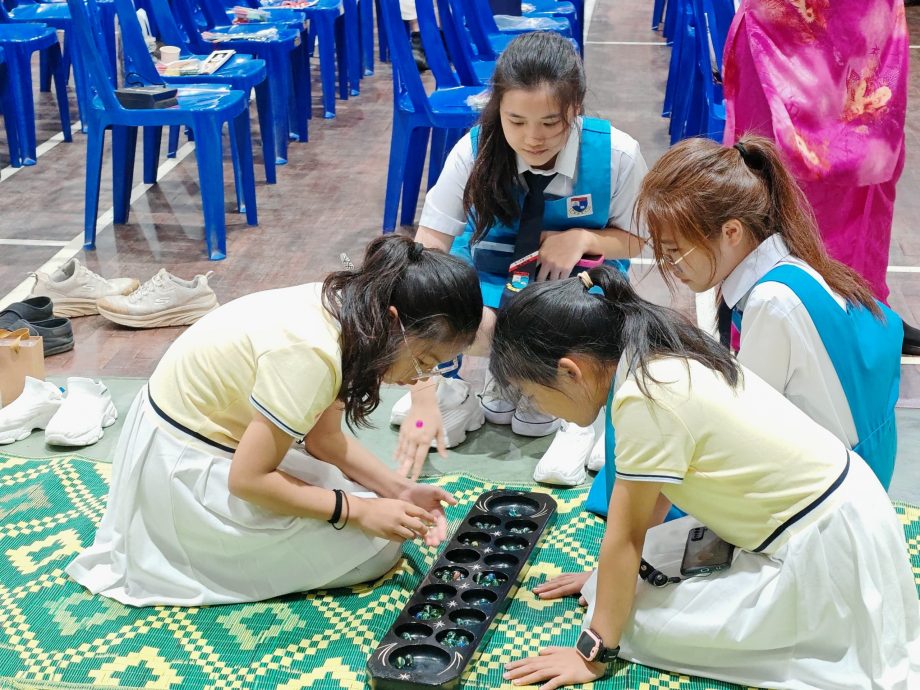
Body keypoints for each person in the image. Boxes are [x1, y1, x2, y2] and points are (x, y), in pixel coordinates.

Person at [492, 266, 919, 689]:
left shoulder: (644, 398)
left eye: (533, 394)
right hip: (842, 513)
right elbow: (648, 505)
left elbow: (626, 537)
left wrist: (594, 652)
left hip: (824, 551)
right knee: (616, 591)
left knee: (637, 628)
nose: (539, 407)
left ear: (570, 371)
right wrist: (604, 579)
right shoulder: (657, 351)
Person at [66, 236, 483, 606]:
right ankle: (184, 549)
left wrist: (400, 489)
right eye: (423, 361)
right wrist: (357, 511)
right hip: (182, 464)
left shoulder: (351, 309)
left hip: (215, 440)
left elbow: (326, 443)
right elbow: (247, 481)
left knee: (375, 511)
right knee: (375, 548)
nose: (418, 378)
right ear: (394, 320)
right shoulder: (312, 353)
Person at [394, 31, 648, 482]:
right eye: (516, 121)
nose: (533, 138)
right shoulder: (473, 150)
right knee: (448, 307)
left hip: (574, 291)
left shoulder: (617, 154)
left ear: (577, 108)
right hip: (493, 283)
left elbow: (639, 241)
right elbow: (427, 252)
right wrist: (422, 392)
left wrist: (584, 239)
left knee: (560, 366)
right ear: (498, 111)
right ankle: (473, 385)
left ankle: (579, 414)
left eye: (551, 123)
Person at [637, 135, 902, 489]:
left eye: (674, 252)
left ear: (731, 232)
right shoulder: (788, 267)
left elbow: (745, 428)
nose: (671, 266)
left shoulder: (771, 302)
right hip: (858, 467)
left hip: (836, 493)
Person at [722, 0, 920, 355]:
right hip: (779, 32)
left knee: (867, 184)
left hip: (866, 31)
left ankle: (862, 304)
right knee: (770, 179)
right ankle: (763, 314)